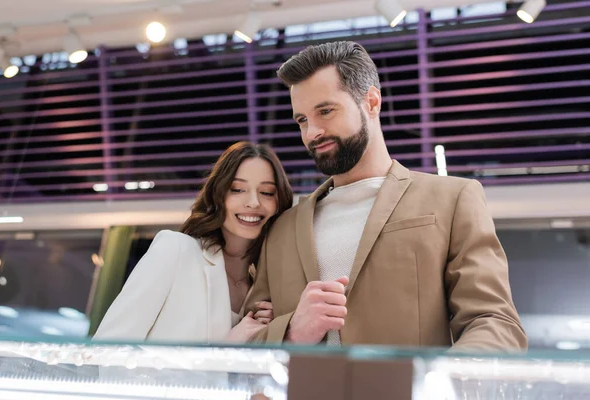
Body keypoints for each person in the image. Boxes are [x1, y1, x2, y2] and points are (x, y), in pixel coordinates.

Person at [245, 41, 527, 351]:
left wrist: (435, 383)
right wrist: (290, 334)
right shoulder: (281, 228)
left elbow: (495, 323)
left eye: (325, 111)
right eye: (302, 120)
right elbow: (245, 340)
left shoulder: (453, 199)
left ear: (372, 102)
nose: (312, 133)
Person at [94, 141, 294, 343]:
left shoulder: (264, 286)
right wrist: (226, 349)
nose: (253, 202)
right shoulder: (175, 250)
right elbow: (108, 347)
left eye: (267, 192)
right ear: (218, 194)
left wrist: (271, 331)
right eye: (237, 189)